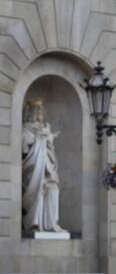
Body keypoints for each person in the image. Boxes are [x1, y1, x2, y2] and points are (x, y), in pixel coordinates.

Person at [22, 99, 65, 232]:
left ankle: (52, 224)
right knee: (38, 190)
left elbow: (50, 148)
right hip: (33, 164)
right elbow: (23, 149)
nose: (41, 112)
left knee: (54, 189)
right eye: (38, 109)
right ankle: (33, 223)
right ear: (33, 112)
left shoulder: (46, 128)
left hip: (47, 164)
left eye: (42, 110)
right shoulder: (25, 128)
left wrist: (49, 138)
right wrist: (37, 138)